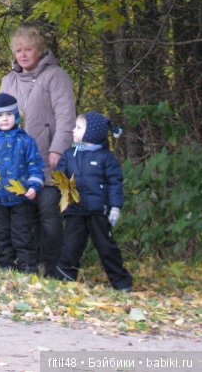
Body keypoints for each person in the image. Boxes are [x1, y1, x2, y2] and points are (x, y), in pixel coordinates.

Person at [0, 25, 76, 276]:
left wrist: (58, 149)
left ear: (39, 50)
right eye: (18, 50)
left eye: (28, 49)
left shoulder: (56, 76)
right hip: (16, 164)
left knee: (50, 218)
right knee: (23, 221)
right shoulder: (8, 81)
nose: (22, 55)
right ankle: (27, 269)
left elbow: (66, 116)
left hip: (48, 161)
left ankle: (53, 269)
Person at [55, 112, 132, 291]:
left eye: (79, 127)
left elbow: (115, 183)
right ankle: (64, 278)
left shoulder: (106, 158)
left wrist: (115, 208)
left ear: (92, 133)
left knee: (106, 247)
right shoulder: (69, 155)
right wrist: (64, 188)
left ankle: (121, 282)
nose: (73, 130)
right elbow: (60, 175)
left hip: (99, 211)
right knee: (70, 245)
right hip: (75, 210)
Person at [0, 93, 44, 273]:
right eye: (0, 116)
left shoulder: (26, 141)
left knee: (23, 235)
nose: (5, 119)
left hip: (21, 199)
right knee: (1, 236)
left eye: (9, 115)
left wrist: (34, 186)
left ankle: (27, 268)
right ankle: (6, 268)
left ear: (16, 117)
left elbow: (35, 165)